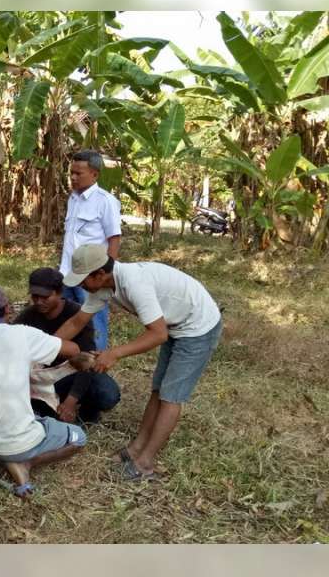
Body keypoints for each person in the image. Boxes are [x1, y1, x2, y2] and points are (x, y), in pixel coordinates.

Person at [57, 244, 223, 481]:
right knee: (158, 390)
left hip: (197, 327)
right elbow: (77, 322)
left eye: (83, 280)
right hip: (176, 326)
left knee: (171, 396)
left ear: (100, 274)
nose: (81, 286)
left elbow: (157, 334)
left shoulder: (134, 284)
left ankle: (145, 463)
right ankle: (136, 450)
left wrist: (114, 354)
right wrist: (44, 345)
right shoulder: (104, 286)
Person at [0, 285, 87, 497]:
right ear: (7, 310)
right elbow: (73, 350)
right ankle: (25, 462)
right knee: (79, 438)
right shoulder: (24, 334)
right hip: (21, 443)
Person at [13, 267, 121, 424]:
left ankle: (87, 412)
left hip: (72, 372)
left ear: (59, 293)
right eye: (35, 296)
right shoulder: (28, 316)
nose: (38, 301)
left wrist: (71, 401)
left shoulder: (77, 314)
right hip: (42, 377)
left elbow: (87, 362)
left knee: (107, 393)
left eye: (45, 297)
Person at [59, 150, 121, 351]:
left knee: (95, 322)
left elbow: (114, 238)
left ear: (94, 174)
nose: (74, 178)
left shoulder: (106, 201)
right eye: (72, 173)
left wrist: (106, 274)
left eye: (79, 174)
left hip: (91, 275)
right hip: (68, 272)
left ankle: (97, 363)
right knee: (70, 318)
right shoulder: (73, 199)